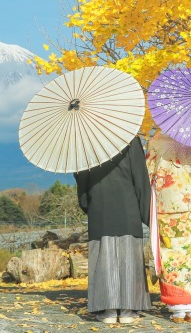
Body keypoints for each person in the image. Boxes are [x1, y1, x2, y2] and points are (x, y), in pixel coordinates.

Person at [74, 136, 152, 325]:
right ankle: (127, 310)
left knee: (103, 257)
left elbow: (82, 178)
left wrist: (88, 204)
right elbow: (140, 178)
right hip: (128, 205)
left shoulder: (86, 139)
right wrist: (148, 215)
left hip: (100, 205)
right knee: (129, 258)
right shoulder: (129, 137)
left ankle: (107, 310)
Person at [146, 131, 191, 324]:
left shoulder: (156, 143)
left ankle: (177, 309)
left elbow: (149, 173)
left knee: (170, 253)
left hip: (166, 207)